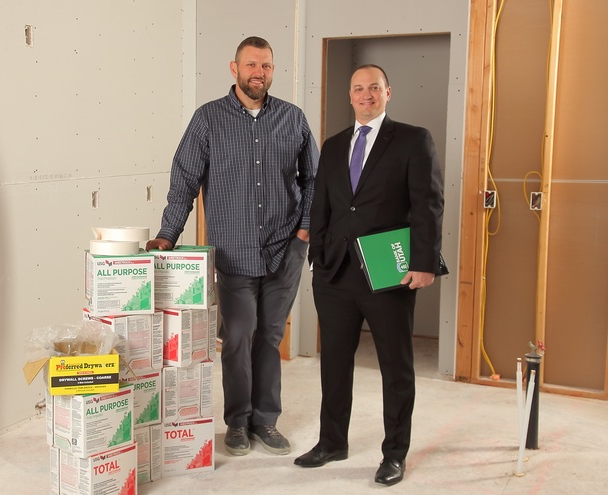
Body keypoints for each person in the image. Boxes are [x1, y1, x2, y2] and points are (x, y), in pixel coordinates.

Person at [145, 36, 318, 457]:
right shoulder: (208, 120)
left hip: (285, 249)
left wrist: (305, 231)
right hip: (234, 251)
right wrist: (168, 234)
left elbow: (315, 178)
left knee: (270, 337)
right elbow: (184, 180)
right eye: (252, 65)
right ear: (234, 68)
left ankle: (265, 421)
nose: (259, 72)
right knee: (239, 336)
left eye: (267, 66)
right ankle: (237, 422)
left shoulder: (293, 119)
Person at [295, 64, 444, 486]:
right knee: (335, 364)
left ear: (388, 92)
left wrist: (425, 262)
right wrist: (316, 257)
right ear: (350, 95)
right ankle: (331, 442)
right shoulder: (335, 143)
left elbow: (428, 203)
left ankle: (394, 453)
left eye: (373, 88)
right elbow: (322, 203)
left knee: (396, 367)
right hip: (335, 274)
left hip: (387, 273)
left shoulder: (414, 140)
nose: (366, 95)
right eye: (358, 89)